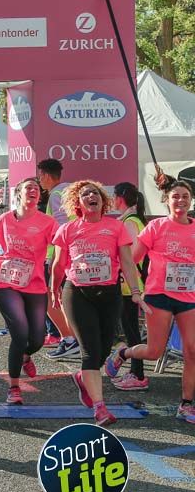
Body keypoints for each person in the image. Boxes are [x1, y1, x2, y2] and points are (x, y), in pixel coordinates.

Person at [49, 180, 146, 426]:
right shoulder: (68, 229)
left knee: (102, 349)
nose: (91, 196)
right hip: (78, 293)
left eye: (95, 193)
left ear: (103, 201)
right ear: (78, 203)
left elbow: (126, 261)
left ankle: (83, 378)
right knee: (90, 351)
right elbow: (59, 265)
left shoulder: (116, 227)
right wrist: (53, 290)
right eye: (85, 194)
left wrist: (135, 291)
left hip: (110, 293)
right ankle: (100, 408)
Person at [106, 177, 195, 424]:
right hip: (159, 297)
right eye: (175, 196)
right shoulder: (156, 228)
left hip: (188, 298)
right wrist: (134, 289)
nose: (180, 200)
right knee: (154, 351)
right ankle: (123, 353)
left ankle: (186, 404)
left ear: (191, 201)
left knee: (192, 351)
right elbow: (132, 259)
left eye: (185, 196)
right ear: (166, 201)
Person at [0, 178, 57, 405]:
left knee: (37, 339)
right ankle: (14, 387)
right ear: (18, 193)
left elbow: (62, 243)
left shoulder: (47, 222)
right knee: (19, 333)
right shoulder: (4, 220)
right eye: (29, 188)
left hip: (35, 284)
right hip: (6, 283)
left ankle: (26, 354)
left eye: (36, 189)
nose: (33, 191)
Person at [38, 158, 80, 357]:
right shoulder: (69, 190)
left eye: (40, 176)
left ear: (46, 175)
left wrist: (54, 258)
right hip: (72, 253)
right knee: (60, 298)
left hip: (59, 255)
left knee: (49, 297)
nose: (39, 181)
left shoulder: (56, 194)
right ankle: (72, 338)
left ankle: (69, 338)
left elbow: (62, 229)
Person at [110, 182, 149, 391]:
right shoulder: (129, 219)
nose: (113, 201)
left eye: (114, 196)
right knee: (130, 329)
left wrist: (115, 263)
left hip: (130, 284)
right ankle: (135, 372)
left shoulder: (130, 221)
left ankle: (138, 374)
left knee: (132, 331)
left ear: (120, 197)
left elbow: (132, 256)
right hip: (129, 283)